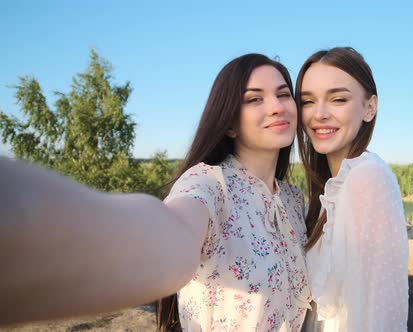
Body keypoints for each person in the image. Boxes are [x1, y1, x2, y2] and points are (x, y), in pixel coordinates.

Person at [0, 53, 311, 332]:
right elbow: (172, 232)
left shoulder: (293, 200)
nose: (276, 107)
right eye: (254, 99)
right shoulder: (209, 184)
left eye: (283, 94)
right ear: (229, 123)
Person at [295, 47, 409, 331]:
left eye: (338, 99)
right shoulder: (334, 189)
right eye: (308, 101)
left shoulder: (367, 179)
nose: (319, 114)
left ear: (369, 108)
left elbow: (379, 316)